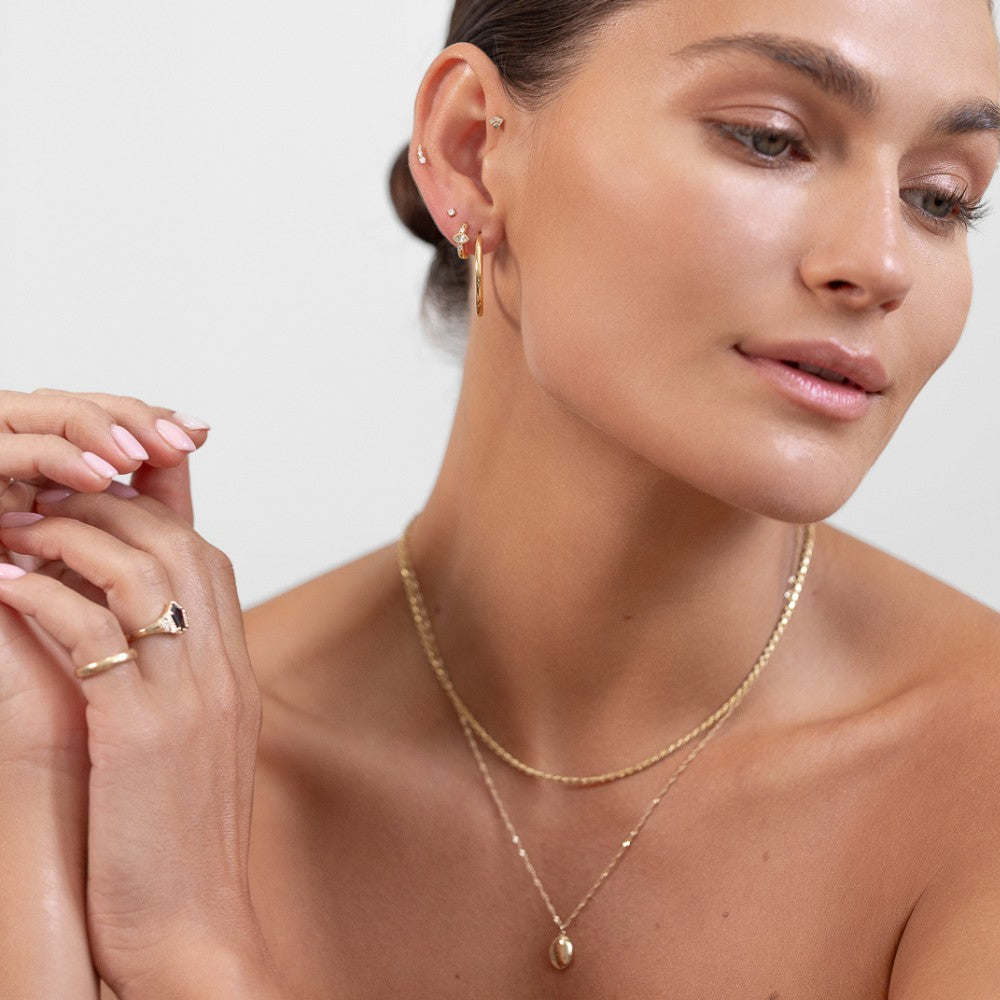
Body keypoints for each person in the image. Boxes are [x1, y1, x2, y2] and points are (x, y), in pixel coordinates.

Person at [1, 0, 998, 996]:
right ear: (474, 150)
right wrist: (33, 776)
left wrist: (190, 948)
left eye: (941, 198)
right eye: (769, 139)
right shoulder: (126, 757)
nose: (880, 265)